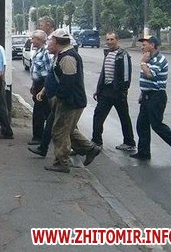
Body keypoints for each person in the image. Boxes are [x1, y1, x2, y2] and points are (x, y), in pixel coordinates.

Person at [37, 29, 100, 173]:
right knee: (68, 130)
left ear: (57, 42)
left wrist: (59, 97)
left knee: (60, 132)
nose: (49, 43)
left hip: (70, 102)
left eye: (51, 40)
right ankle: (90, 149)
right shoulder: (63, 55)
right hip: (69, 100)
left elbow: (68, 82)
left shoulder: (68, 57)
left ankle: (62, 162)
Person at [130, 35, 171, 161]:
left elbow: (150, 75)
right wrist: (142, 93)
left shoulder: (159, 59)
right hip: (147, 96)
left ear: (152, 45)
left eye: (144, 45)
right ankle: (144, 152)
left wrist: (143, 62)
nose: (142, 47)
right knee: (142, 124)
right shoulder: (149, 59)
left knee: (157, 125)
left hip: (157, 96)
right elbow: (146, 80)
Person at [91, 32, 135, 151]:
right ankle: (96, 141)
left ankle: (129, 143)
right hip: (105, 91)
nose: (109, 42)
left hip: (118, 92)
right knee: (98, 115)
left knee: (124, 117)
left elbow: (126, 76)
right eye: (108, 39)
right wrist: (98, 90)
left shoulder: (123, 55)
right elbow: (104, 74)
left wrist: (123, 91)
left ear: (117, 40)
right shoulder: (107, 54)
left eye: (112, 39)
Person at [28, 30, 51, 146]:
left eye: (34, 39)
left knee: (39, 111)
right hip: (38, 84)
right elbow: (35, 70)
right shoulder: (37, 51)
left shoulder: (46, 53)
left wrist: (43, 90)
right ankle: (48, 133)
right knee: (47, 111)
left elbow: (48, 72)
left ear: (40, 40)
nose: (32, 41)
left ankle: (38, 137)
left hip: (43, 85)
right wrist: (33, 85)